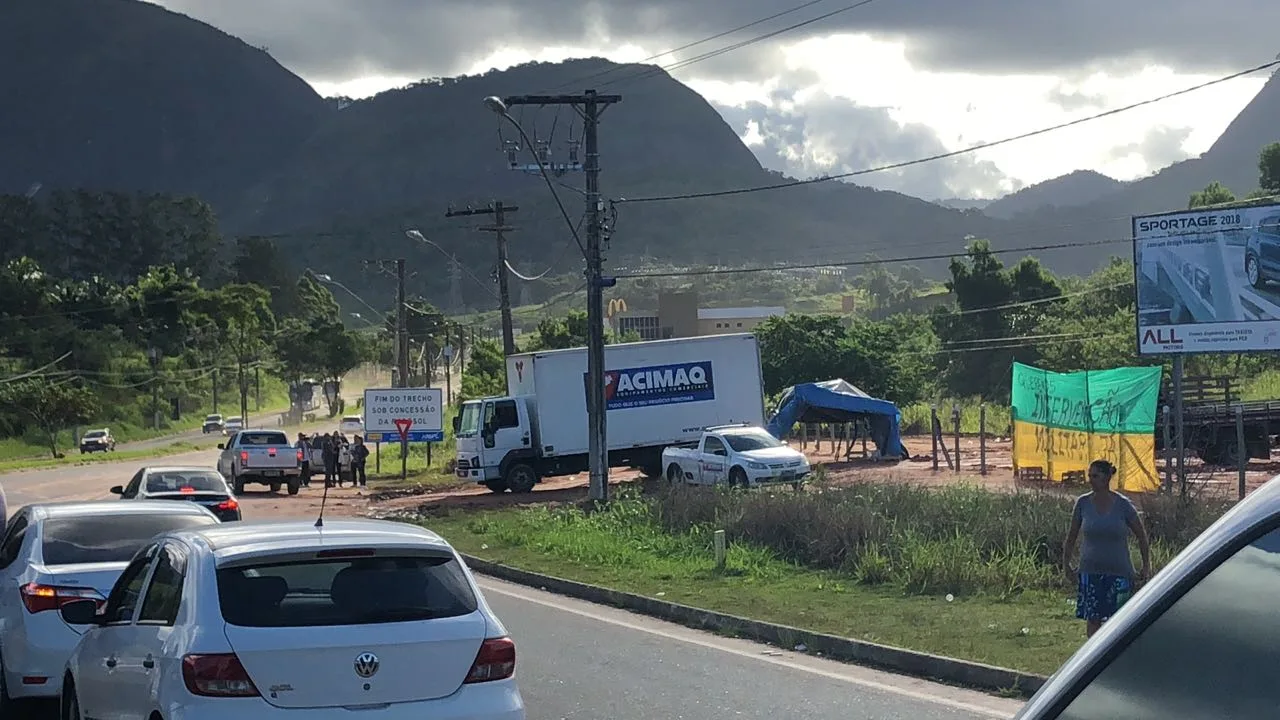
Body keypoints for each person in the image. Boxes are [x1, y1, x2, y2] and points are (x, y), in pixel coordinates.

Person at [1063, 459, 1152, 638]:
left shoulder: (1123, 505)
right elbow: (1071, 536)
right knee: (1093, 620)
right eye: (1089, 476)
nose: (1091, 480)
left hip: (1119, 573)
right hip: (1090, 572)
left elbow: (1141, 536)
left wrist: (1145, 565)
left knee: (1118, 622)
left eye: (1095, 476)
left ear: (1106, 478)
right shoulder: (1083, 503)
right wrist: (1066, 564)